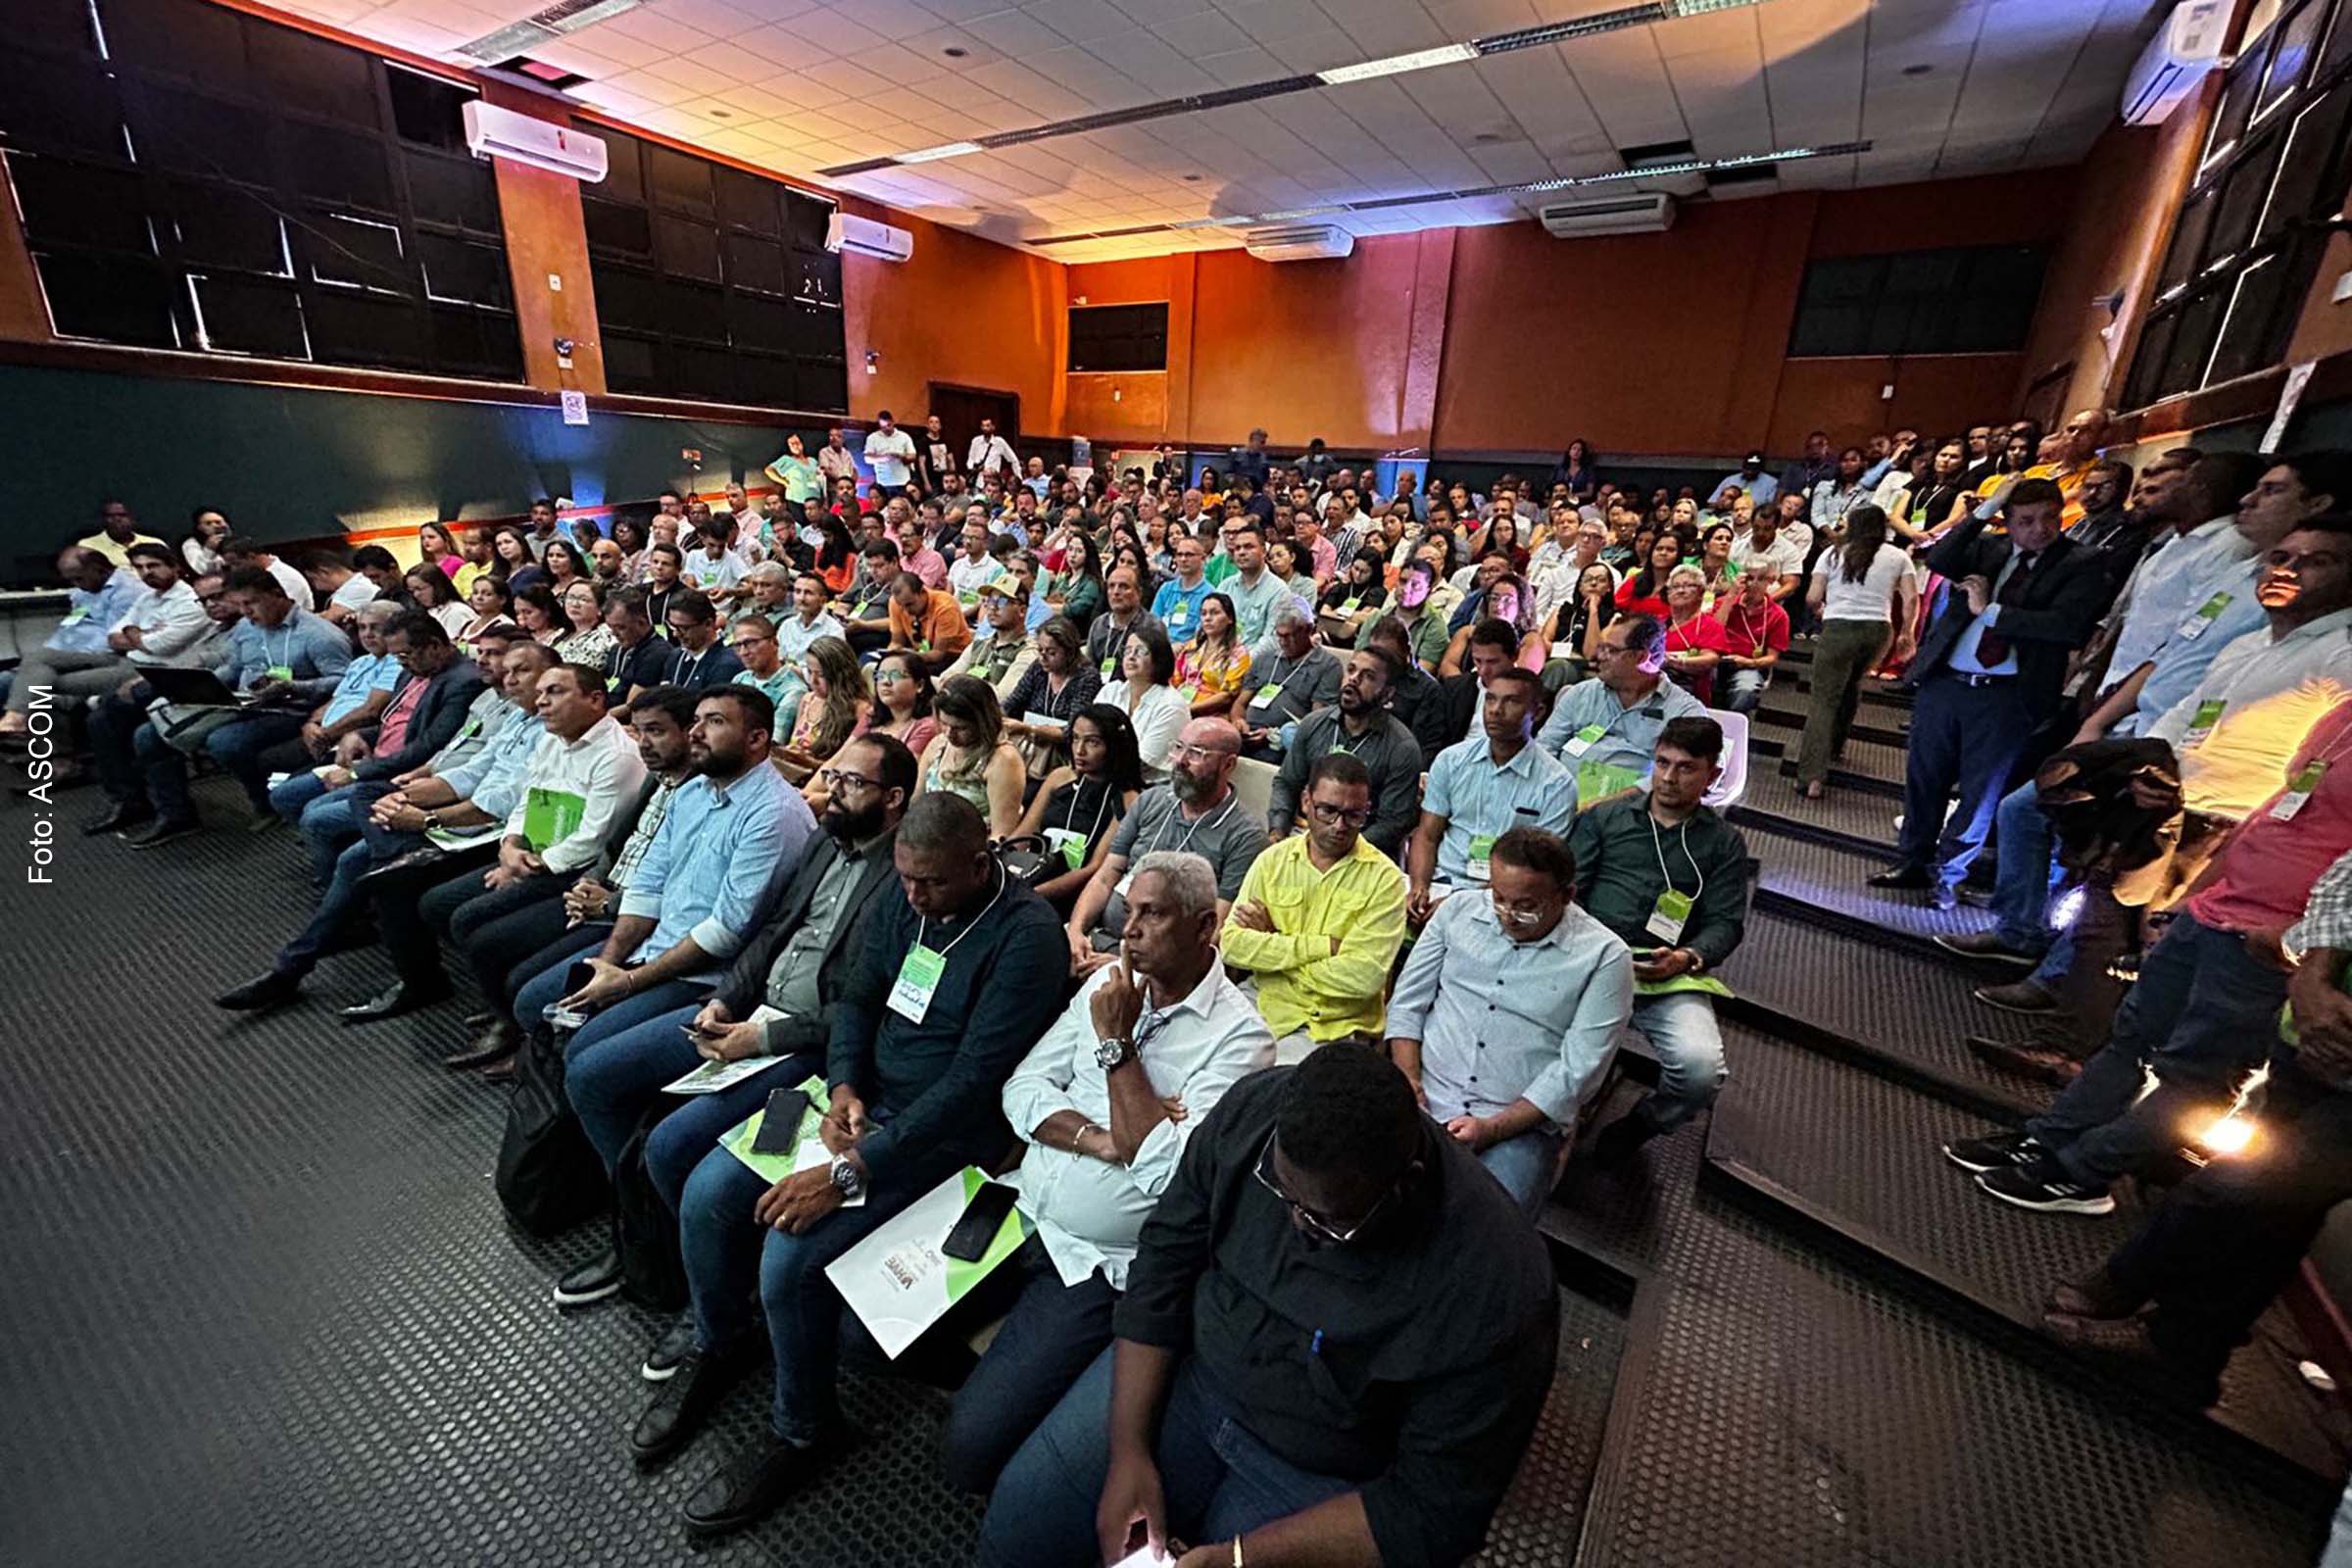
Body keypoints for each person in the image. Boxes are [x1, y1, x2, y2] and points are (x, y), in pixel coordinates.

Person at [640, 795, 1065, 1537]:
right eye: (903, 878)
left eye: (930, 883)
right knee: (709, 1190)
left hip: (944, 1134)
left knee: (789, 1258)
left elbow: (975, 1083)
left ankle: (805, 1429)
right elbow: (859, 999)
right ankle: (720, 1340)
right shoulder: (905, 898)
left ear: (979, 862)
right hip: (863, 1098)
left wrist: (851, 1169)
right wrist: (841, 1086)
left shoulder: (1026, 937)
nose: (913, 896)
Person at [973, 1043, 1559, 1568]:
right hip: (1190, 1384)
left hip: (1323, 1473)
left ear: (1402, 1185)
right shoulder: (1255, 1112)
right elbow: (1163, 1266)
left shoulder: (1499, 1287)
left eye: (1328, 1222)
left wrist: (1238, 1558)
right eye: (1281, 1193)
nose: (1296, 1226)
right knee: (1018, 1532)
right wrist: (1129, 1447)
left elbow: (1432, 1511)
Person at [943, 850, 1276, 1494]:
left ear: (1205, 927)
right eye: (1130, 910)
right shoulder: (1105, 987)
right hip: (1020, 1205)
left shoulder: (1242, 1041)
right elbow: (1022, 1091)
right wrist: (1106, 1137)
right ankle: (999, 1384)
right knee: (860, 1335)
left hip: (1100, 1261)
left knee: (966, 1453)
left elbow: (1166, 1176)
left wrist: (1118, 1048)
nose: (1128, 929)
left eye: (1153, 915)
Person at [1946, 696, 2352, 1217]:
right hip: (2216, 909)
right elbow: (2272, 814)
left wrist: (2296, 937)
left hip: (2269, 939)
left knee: (2196, 1075)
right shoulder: (2341, 715)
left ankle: (2082, 1172)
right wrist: (2193, 896)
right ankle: (2048, 1142)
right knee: (2130, 1039)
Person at [2034, 844, 2352, 1402]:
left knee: (2243, 1181)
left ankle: (2135, 1284)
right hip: (2321, 1031)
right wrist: (2313, 980)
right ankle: (2189, 1350)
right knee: (2281, 1212)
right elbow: (2345, 881)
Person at [403, 684, 702, 1066]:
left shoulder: (673, 781)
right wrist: (586, 881)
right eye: (640, 731)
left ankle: (524, 1039)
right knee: (461, 918)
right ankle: (516, 1023)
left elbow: (654, 869)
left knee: (505, 961)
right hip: (592, 885)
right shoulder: (657, 778)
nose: (643, 743)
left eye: (656, 732)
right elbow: (615, 845)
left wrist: (600, 896)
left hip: (627, 908)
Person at [1872, 479, 2109, 906]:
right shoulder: (1990, 548)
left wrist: (1993, 611)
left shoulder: (2081, 562)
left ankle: (1948, 875)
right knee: (1925, 779)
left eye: (2049, 519)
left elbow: (2065, 626)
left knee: (1979, 794)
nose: (2040, 529)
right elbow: (1941, 557)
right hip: (1947, 682)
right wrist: (1982, 512)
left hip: (2006, 693)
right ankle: (1912, 860)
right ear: (2009, 523)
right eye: (2026, 521)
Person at [1390, 826, 1633, 1215]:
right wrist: (1408, 1078)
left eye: (1526, 906)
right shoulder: (1456, 911)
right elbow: (1407, 1004)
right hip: (1423, 1092)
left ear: (1567, 896)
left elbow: (1578, 1071)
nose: (1508, 915)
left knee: (1494, 1226)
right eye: (1498, 898)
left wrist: (1494, 1128)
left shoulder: (1605, 957)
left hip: (1517, 1121)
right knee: (1361, 1192)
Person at [1569, 716, 1750, 1164]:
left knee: (1700, 1072)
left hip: (1665, 971)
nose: (1668, 778)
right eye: (1662, 763)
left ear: (1713, 774)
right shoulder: (1606, 819)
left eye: (1686, 768)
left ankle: (1642, 1123)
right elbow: (1568, 891)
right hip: (1590, 959)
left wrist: (1688, 956)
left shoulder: (1724, 843)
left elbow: (1726, 923)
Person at [93, 564, 354, 844]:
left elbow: (344, 681)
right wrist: (200, 685)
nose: (245, 612)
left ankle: (265, 804)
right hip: (244, 702)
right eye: (240, 605)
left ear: (277, 594)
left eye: (251, 603)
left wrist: (294, 686)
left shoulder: (320, 635)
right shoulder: (247, 627)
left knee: (225, 742)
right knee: (148, 735)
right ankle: (175, 815)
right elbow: (234, 667)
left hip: (292, 709)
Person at [1221, 753, 1409, 1063]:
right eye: (1328, 811)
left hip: (1335, 1025)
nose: (1339, 826)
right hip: (1261, 1001)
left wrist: (1274, 944)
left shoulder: (1385, 879)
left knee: (1272, 1096)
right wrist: (1323, 947)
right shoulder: (1273, 860)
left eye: (1354, 815)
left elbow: (1363, 979)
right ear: (1306, 801)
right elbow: (1232, 945)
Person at [1068, 717, 1267, 969]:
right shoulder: (1151, 800)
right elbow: (1106, 876)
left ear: (1228, 764)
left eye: (1196, 753)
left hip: (1165, 967)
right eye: (1178, 747)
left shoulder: (1245, 836)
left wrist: (1129, 964)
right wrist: (1076, 931)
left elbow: (1215, 929)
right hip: (1101, 940)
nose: (1180, 760)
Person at [1408, 668, 1577, 917]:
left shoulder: (1557, 784)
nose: (1496, 710)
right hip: (1442, 881)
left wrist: (1461, 904)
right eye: (1490, 698)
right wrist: (1419, 887)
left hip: (1506, 900)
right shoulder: (1451, 760)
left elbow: (1537, 868)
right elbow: (1428, 835)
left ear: (1538, 712)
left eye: (1512, 701)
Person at [1794, 504, 1918, 797]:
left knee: (1823, 700)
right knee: (1851, 685)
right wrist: (1907, 632)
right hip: (1878, 630)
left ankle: (1812, 776)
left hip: (1839, 628)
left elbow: (1812, 597)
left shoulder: (1832, 554)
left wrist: (1823, 609)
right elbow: (1911, 598)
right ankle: (1836, 747)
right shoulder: (1897, 556)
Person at [1536, 613, 1707, 808]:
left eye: (1611, 650)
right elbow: (1545, 746)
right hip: (1558, 797)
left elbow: (1684, 775)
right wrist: (1549, 788)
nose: (1599, 656)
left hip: (1632, 810)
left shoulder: (1684, 712)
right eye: (1602, 647)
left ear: (1641, 657)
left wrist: (1607, 803)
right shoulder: (1581, 693)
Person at [1265, 647, 1419, 858]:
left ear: (1387, 693)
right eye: (1352, 670)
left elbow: (1391, 824)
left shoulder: (1402, 748)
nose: (1353, 680)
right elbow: (1286, 782)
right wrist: (1277, 831)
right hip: (1301, 837)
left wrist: (1335, 847)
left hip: (1359, 851)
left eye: (1368, 677)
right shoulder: (1313, 724)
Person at [0, 547, 150, 731]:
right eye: (71, 580)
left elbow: (114, 641)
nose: (76, 584)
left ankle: (16, 716)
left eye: (79, 578)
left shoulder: (128, 591)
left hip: (105, 657)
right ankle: (18, 726)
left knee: (36, 664)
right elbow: (69, 628)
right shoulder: (84, 592)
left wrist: (60, 657)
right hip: (63, 659)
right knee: (9, 679)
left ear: (98, 569)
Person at [1011, 704, 1145, 909]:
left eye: (1092, 742)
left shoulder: (1127, 799)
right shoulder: (1059, 777)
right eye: (1075, 738)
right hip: (1033, 871)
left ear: (1114, 746)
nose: (1079, 750)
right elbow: (1024, 833)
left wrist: (1030, 894)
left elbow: (1095, 868)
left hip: (1074, 892)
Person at [914, 673, 1027, 836]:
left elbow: (1002, 833)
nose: (949, 734)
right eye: (944, 724)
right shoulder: (938, 744)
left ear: (982, 722)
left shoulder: (1003, 760)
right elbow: (916, 801)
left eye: (961, 728)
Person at [1232, 601, 1343, 760]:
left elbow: (1316, 720)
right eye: (1279, 635)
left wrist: (1271, 734)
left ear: (1309, 629)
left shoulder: (1327, 665)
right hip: (1246, 734)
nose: (1283, 642)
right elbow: (1240, 703)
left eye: (1289, 636)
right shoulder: (1265, 658)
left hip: (1282, 742)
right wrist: (1238, 720)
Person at [1001, 615, 1102, 780]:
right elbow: (1012, 702)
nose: (1043, 657)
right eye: (1040, 650)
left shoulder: (1086, 678)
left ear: (1069, 652)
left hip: (1065, 758)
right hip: (1030, 750)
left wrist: (1029, 729)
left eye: (1051, 652)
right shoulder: (1038, 668)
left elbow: (1073, 730)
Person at [1101, 619, 1192, 784]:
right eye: (1127, 650)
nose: (1131, 656)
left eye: (1141, 651)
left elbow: (1140, 763)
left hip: (1150, 788)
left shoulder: (1171, 705)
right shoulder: (1111, 691)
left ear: (1159, 659)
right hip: (1105, 775)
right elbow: (1088, 734)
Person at [1712, 566, 1790, 716]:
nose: (1753, 583)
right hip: (1716, 660)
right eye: (1749, 578)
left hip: (1749, 664)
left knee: (1745, 691)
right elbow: (1713, 631)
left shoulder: (1778, 615)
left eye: (1760, 579)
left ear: (1771, 580)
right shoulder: (1724, 602)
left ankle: (1732, 725)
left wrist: (1747, 662)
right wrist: (1730, 597)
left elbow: (1772, 658)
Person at [942, 578, 1037, 701]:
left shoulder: (1029, 650)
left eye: (1002, 601)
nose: (993, 607)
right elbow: (945, 679)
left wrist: (960, 686)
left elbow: (1002, 697)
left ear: (1022, 610)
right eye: (990, 600)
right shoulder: (980, 644)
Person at [1658, 564, 1731, 706]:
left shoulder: (1710, 625)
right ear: (1667, 594)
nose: (1681, 590)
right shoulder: (1657, 623)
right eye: (1675, 586)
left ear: (1701, 593)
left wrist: (1676, 661)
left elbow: (1711, 658)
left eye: (1688, 586)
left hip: (1688, 691)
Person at [886, 568, 971, 675]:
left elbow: (938, 653)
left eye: (909, 604)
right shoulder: (895, 602)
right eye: (901, 606)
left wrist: (911, 656)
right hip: (918, 652)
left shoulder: (945, 606)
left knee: (911, 675)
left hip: (951, 654)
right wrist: (892, 652)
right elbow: (897, 642)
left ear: (922, 592)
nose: (905, 611)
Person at [658, 593, 745, 691]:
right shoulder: (675, 656)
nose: (676, 634)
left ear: (708, 624)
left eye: (684, 628)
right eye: (672, 626)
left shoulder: (726, 664)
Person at [726, 612, 803, 713]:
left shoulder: (793, 690)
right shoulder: (740, 679)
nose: (743, 652)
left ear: (774, 642)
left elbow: (778, 729)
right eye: (738, 645)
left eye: (750, 643)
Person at [1150, 533, 1214, 646]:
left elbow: (1203, 636)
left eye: (1189, 555)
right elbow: (1152, 625)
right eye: (1179, 554)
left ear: (1203, 558)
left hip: (1190, 655)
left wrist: (1182, 648)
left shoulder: (1210, 595)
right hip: (1161, 650)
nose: (1183, 559)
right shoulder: (1165, 589)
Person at [75, 498, 165, 567]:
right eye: (110, 516)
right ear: (103, 520)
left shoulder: (155, 543)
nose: (117, 520)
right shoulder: (88, 546)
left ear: (133, 519)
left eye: (122, 515)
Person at [764, 433, 827, 520]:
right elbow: (768, 470)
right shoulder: (787, 460)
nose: (795, 445)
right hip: (797, 502)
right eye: (792, 444)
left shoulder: (812, 460)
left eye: (797, 442)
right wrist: (784, 482)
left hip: (815, 500)